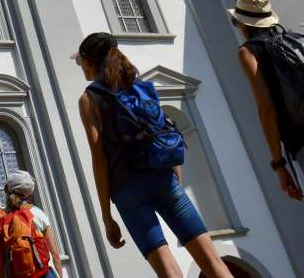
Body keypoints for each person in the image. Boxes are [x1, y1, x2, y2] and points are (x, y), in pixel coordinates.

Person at [76, 32, 234, 278]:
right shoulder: (140, 86)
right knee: (214, 263)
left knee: (168, 272)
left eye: (80, 63)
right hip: (163, 178)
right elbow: (163, 129)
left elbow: (100, 160)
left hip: (127, 190)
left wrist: (107, 216)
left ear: (88, 62)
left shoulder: (89, 99)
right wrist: (175, 182)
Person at [229, 0, 304, 226]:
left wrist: (278, 164)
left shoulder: (248, 52)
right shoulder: (298, 39)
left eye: (236, 21)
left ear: (245, 23)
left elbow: (266, 108)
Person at [0, 170, 63, 278]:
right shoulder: (37, 214)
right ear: (28, 195)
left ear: (5, 189)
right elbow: (55, 255)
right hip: (44, 274)